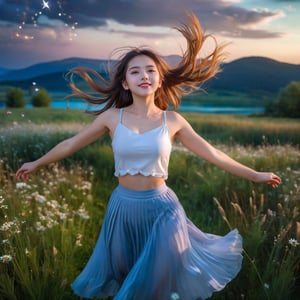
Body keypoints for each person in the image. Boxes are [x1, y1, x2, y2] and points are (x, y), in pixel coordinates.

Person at [16, 12, 281, 300]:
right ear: (125, 84)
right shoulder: (111, 118)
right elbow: (70, 144)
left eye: (151, 70)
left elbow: (213, 153)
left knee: (157, 285)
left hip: (163, 212)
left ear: (159, 79)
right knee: (128, 276)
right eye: (135, 71)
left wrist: (255, 174)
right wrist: (38, 162)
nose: (144, 75)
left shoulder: (173, 120)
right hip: (123, 210)